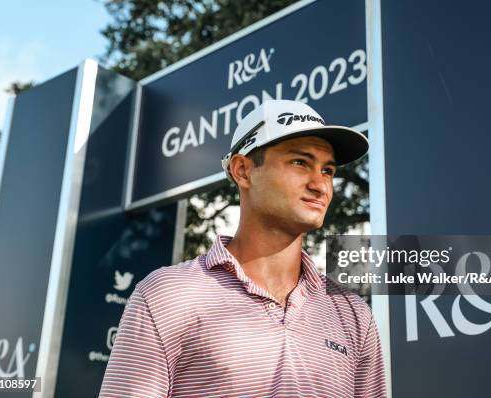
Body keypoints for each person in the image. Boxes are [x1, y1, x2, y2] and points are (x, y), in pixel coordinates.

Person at [99, 99, 386, 397]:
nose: (320, 185)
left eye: (327, 171)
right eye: (300, 162)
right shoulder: (167, 294)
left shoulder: (353, 314)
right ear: (243, 170)